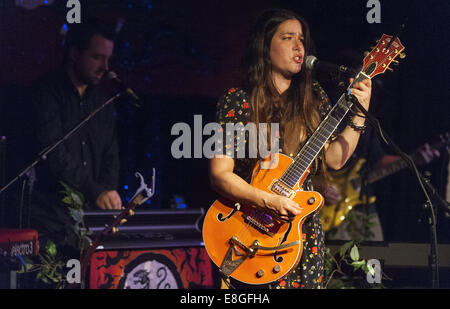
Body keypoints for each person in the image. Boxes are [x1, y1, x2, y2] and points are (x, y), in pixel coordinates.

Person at [209, 9, 372, 289]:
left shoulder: (315, 97)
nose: (299, 46)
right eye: (288, 38)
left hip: (299, 234)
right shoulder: (237, 101)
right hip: (245, 229)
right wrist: (268, 201)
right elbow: (219, 174)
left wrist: (360, 112)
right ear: (265, 47)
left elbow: (334, 159)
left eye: (302, 39)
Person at [30, 20, 122, 255]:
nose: (105, 66)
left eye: (107, 59)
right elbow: (53, 153)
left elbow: (110, 152)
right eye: (96, 57)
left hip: (91, 220)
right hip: (50, 219)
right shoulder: (46, 92)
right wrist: (95, 190)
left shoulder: (102, 99)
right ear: (74, 53)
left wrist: (108, 192)